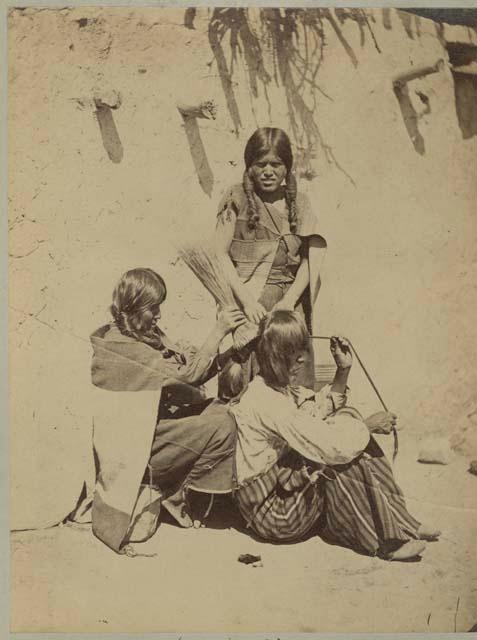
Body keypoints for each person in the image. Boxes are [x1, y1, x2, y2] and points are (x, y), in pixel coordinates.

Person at [229, 310, 441, 561]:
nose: (304, 361)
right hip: (272, 513)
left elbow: (314, 413)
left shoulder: (276, 390)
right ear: (277, 359)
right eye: (296, 358)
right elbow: (330, 445)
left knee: (347, 422)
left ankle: (404, 522)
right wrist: (367, 426)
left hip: (281, 490)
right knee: (336, 457)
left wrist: (343, 371)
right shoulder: (267, 402)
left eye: (303, 354)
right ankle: (386, 542)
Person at [90, 268, 246, 534]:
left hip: (151, 429)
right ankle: (178, 494)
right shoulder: (125, 347)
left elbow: (186, 371)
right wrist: (218, 330)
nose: (159, 314)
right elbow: (189, 375)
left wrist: (232, 351)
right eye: (154, 308)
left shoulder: (135, 333)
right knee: (223, 424)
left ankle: (177, 491)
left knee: (219, 412)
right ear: (135, 307)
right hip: (137, 449)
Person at [215, 127, 327, 399]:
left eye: (276, 164)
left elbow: (311, 260)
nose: (268, 171)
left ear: (286, 168)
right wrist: (247, 302)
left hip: (287, 307)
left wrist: (288, 301)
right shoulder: (236, 198)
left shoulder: (299, 204)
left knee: (291, 383)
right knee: (243, 383)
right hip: (247, 306)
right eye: (260, 164)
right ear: (249, 167)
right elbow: (218, 254)